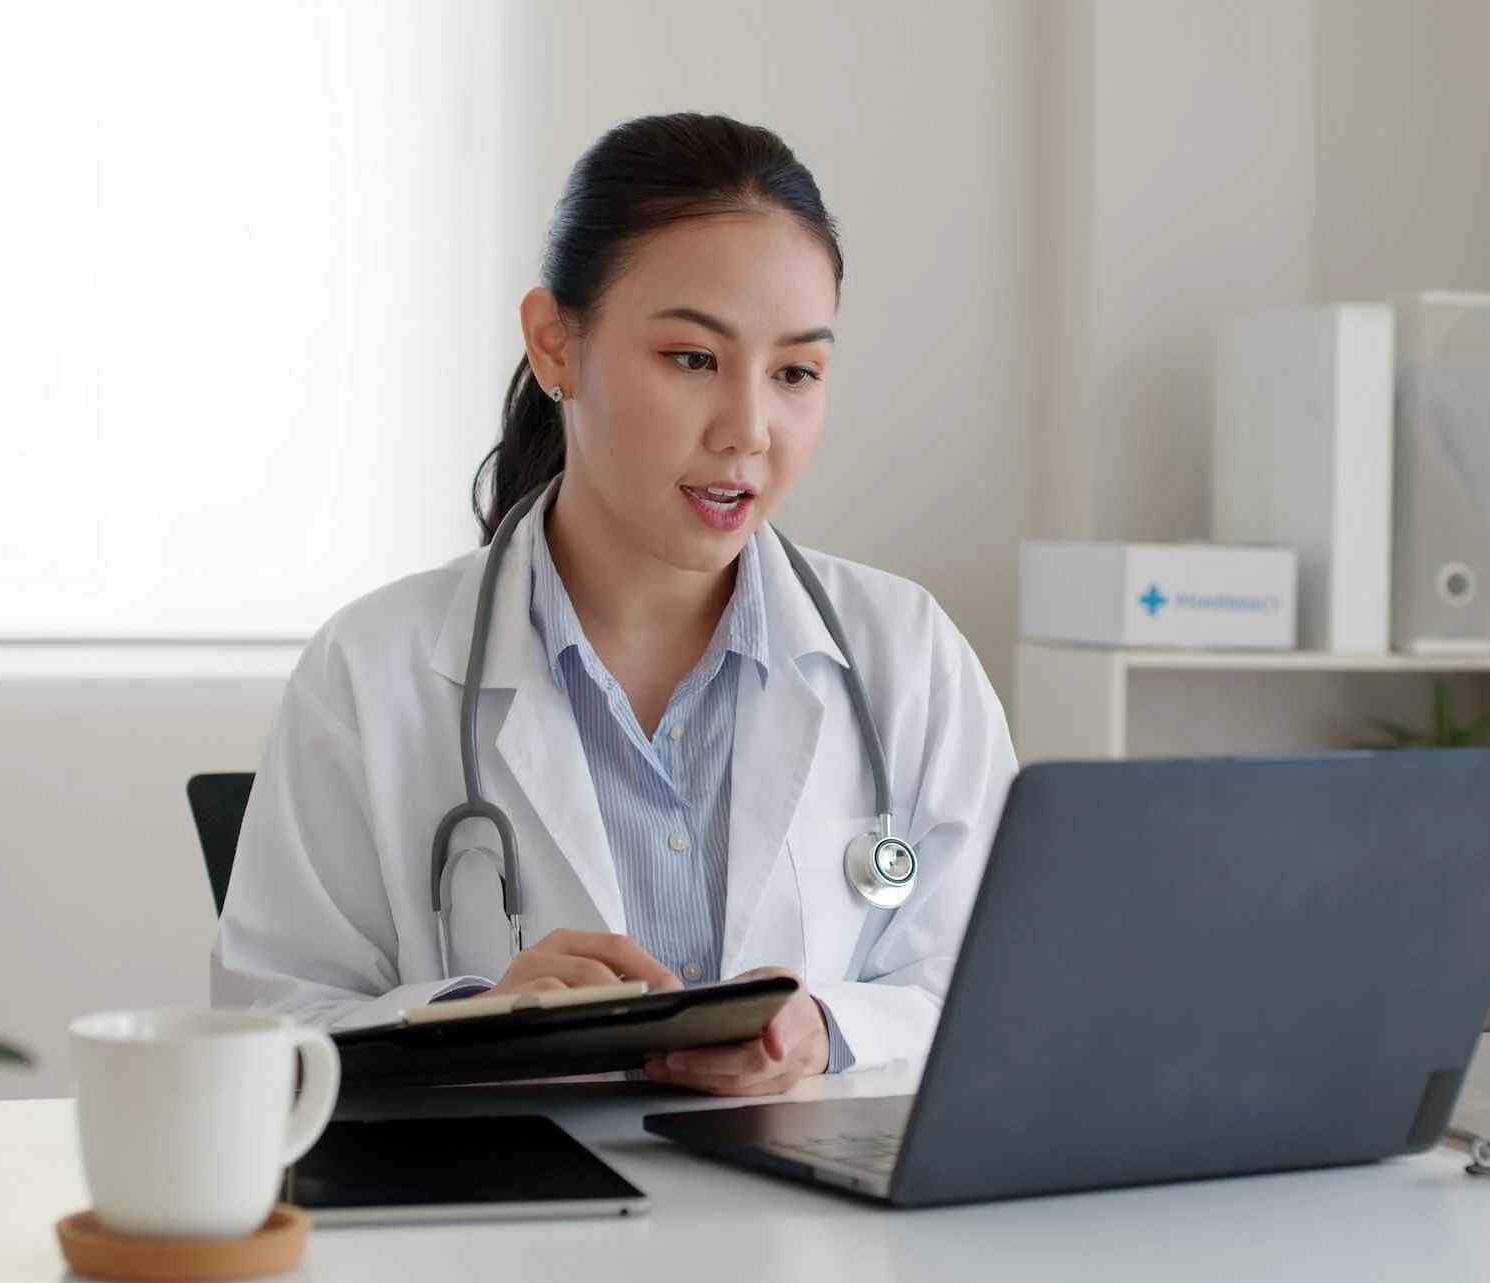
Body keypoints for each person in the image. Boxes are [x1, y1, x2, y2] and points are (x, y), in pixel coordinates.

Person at [211, 113, 1016, 1096]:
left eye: (796, 372)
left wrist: (827, 1029)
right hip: (511, 1226)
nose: (749, 431)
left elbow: (1004, 994)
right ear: (557, 345)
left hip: (816, 1235)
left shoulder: (910, 656)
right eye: (691, 359)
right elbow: (264, 1030)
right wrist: (476, 1018)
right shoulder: (370, 671)